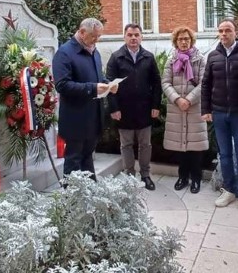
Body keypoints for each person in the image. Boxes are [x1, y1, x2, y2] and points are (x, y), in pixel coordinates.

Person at [201, 19, 238, 213]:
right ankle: (229, 190)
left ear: (235, 32)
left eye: (228, 30)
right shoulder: (213, 56)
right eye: (221, 31)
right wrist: (206, 109)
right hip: (219, 113)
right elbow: (206, 84)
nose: (224, 34)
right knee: (225, 154)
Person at [53, 18, 117, 178]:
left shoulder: (93, 51)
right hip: (75, 119)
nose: (97, 40)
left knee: (87, 157)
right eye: (94, 36)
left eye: (99, 36)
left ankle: (90, 195)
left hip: (93, 118)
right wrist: (93, 88)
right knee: (74, 160)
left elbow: (98, 77)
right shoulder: (64, 53)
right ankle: (72, 199)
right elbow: (62, 85)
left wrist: (108, 84)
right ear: (82, 32)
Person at [106, 24, 162, 190]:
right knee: (126, 145)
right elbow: (109, 85)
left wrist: (156, 105)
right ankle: (129, 176)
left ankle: (145, 175)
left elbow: (156, 83)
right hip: (124, 110)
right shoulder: (116, 58)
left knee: (146, 145)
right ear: (124, 37)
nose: (133, 38)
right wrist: (114, 108)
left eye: (136, 35)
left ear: (141, 37)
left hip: (145, 109)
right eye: (130, 35)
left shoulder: (148, 57)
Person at [162, 26, 208, 194]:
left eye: (186, 39)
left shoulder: (200, 60)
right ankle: (182, 177)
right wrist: (177, 99)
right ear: (176, 42)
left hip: (194, 109)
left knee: (195, 147)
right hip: (177, 109)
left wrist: (188, 99)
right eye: (180, 39)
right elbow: (165, 82)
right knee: (180, 147)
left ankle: (196, 178)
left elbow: (205, 83)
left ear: (191, 41)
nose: (183, 42)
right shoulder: (171, 60)